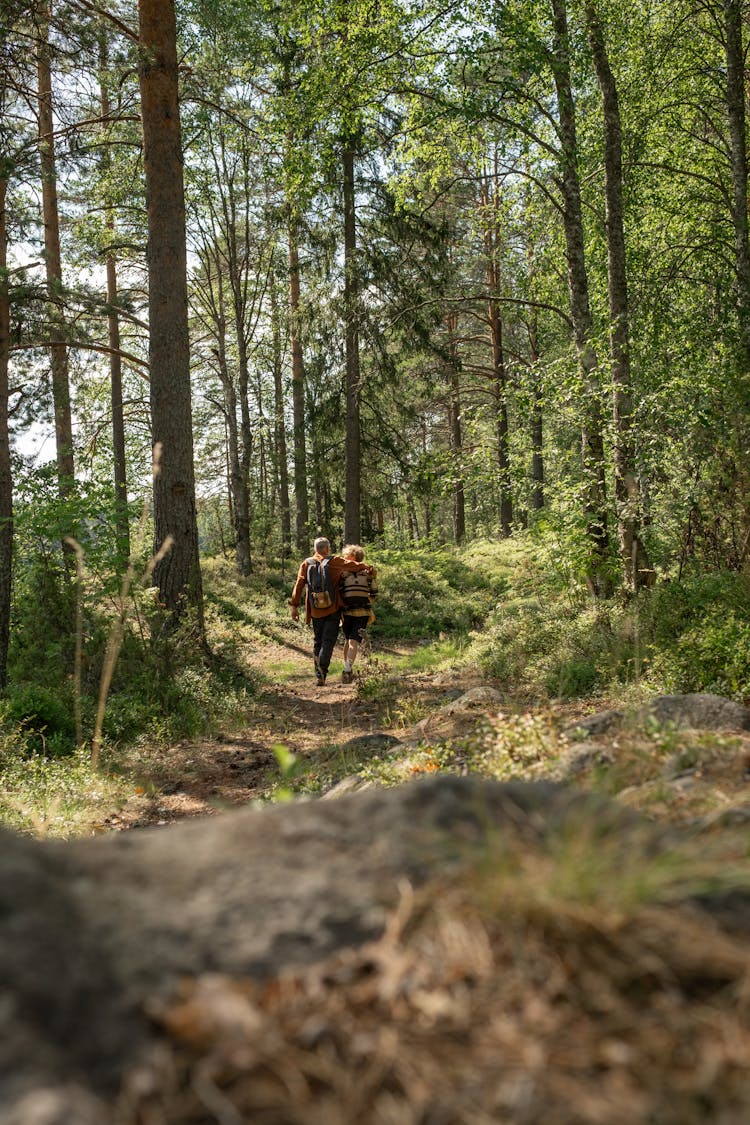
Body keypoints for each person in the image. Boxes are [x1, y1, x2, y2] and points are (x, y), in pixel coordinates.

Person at [289, 537, 373, 686]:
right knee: (328, 642)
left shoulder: (306, 563)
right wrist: (368, 567)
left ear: (315, 549)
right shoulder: (334, 561)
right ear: (327, 549)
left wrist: (294, 606)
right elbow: (354, 566)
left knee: (318, 641)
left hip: (315, 610)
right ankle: (322, 672)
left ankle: (318, 674)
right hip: (333, 609)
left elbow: (299, 585)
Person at [339, 544, 377, 683]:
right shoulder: (368, 574)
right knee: (350, 640)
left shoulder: (343, 574)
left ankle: (347, 670)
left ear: (353, 557)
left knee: (351, 640)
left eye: (346, 556)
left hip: (347, 611)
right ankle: (347, 668)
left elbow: (339, 592)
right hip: (363, 612)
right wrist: (365, 602)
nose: (344, 559)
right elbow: (374, 592)